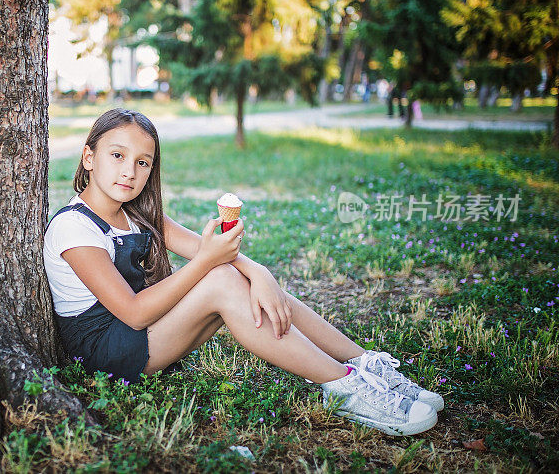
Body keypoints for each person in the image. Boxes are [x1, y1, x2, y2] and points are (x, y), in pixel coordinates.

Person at [43, 108, 443, 436]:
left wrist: (260, 272)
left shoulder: (136, 213)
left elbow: (203, 249)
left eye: (142, 162)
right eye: (117, 155)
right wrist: (207, 264)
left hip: (137, 333)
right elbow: (133, 311)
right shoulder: (74, 227)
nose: (129, 171)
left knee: (238, 280)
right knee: (219, 279)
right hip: (106, 352)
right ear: (88, 157)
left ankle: (366, 364)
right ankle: (344, 387)